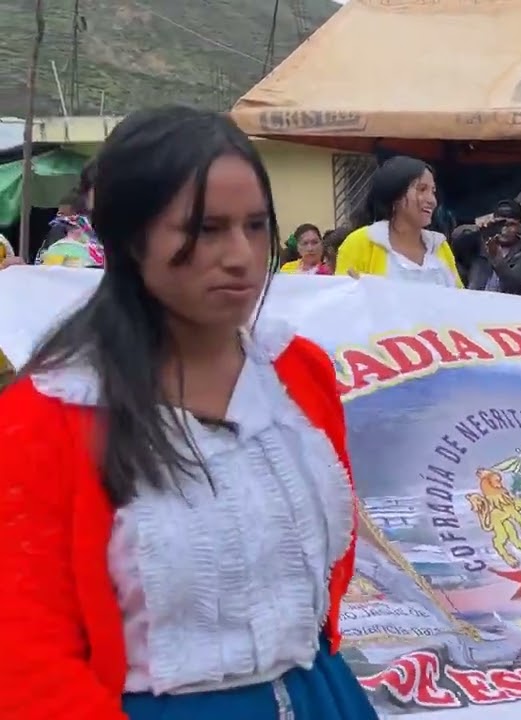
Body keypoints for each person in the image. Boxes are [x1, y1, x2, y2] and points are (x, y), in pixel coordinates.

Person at [0, 106, 374, 719]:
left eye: (255, 226)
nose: (241, 256)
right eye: (205, 229)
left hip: (322, 697)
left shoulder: (296, 375)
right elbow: (23, 651)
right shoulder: (48, 417)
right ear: (129, 237)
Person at [335, 156, 462, 287]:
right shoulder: (362, 243)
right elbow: (345, 300)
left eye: (433, 191)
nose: (432, 200)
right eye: (422, 189)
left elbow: (459, 300)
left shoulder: (439, 246)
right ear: (395, 195)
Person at [456, 199, 521, 295]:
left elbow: (515, 285)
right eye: (500, 224)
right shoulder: (478, 245)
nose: (504, 229)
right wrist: (479, 228)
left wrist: (497, 258)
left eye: (511, 224)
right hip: (475, 305)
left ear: (520, 228)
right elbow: (455, 248)